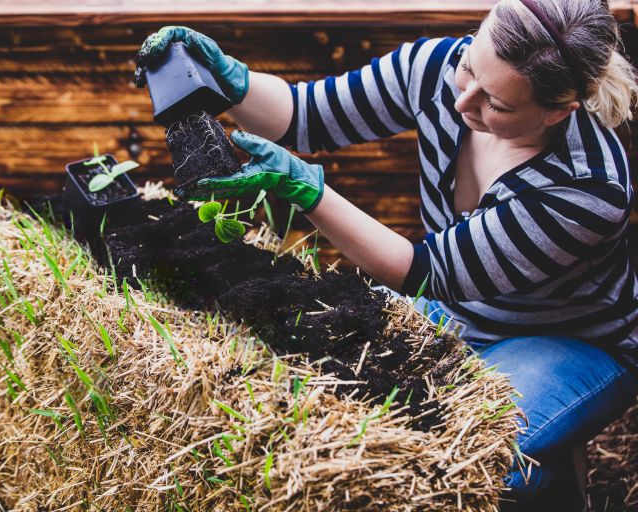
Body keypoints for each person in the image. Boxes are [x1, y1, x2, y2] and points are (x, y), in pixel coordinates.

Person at [135, 0, 638, 509]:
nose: (463, 103)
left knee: (471, 463)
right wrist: (230, 78)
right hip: (458, 309)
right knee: (324, 383)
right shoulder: (439, 67)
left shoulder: (588, 189)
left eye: (498, 106)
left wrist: (305, 190)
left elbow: (422, 271)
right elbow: (308, 115)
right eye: (470, 69)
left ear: (557, 111)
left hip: (570, 337)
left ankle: (557, 493)